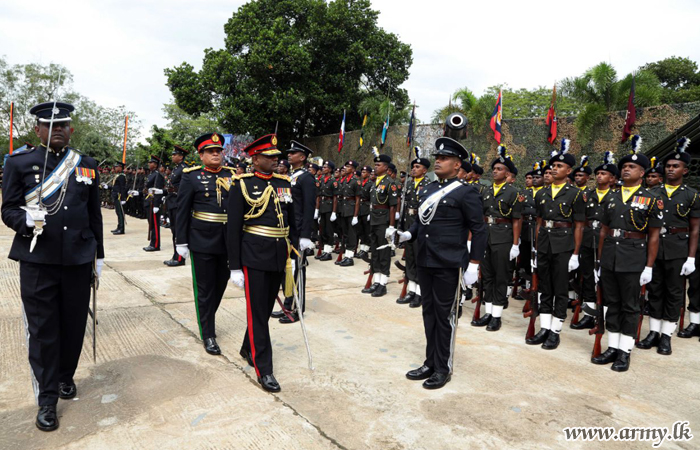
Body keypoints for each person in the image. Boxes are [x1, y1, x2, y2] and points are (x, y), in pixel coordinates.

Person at [1, 102, 104, 431]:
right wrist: (26, 221)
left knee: (73, 326)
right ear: (38, 129)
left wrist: (98, 256)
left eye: (63, 124)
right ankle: (47, 399)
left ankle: (64, 376)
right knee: (44, 331)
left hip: (77, 259)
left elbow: (94, 215)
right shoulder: (20, 163)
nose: (58, 129)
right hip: (38, 260)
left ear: (71, 128)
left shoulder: (86, 164)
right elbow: (8, 210)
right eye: (50, 125)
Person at [396, 136, 486, 389]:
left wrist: (474, 264)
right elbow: (421, 222)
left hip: (448, 261)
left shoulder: (466, 192)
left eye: (444, 158)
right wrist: (408, 235)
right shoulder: (429, 189)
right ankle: (430, 362)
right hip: (425, 259)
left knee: (444, 315)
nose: (438, 161)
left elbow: (479, 230)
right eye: (437, 158)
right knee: (428, 313)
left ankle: (443, 367)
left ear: (457, 165)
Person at [227, 134, 298, 393]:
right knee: (257, 313)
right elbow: (233, 228)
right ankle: (264, 368)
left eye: (276, 157)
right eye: (269, 157)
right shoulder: (242, 183)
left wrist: (298, 245)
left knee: (264, 310)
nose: (275, 160)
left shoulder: (283, 182)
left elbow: (292, 219)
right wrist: (234, 266)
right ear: (255, 158)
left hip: (279, 255)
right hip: (254, 255)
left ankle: (248, 347)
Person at [592, 135, 662, 372]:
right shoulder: (611, 196)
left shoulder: (651, 198)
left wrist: (649, 266)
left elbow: (654, 235)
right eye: (623, 167)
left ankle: (625, 351)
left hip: (634, 257)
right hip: (610, 253)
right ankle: (612, 347)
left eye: (631, 167)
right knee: (612, 302)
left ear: (642, 173)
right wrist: (600, 260)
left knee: (630, 306)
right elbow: (603, 230)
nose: (626, 170)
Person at [637, 137, 699, 355]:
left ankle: (666, 336)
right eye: (669, 166)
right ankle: (653, 332)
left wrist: (691, 258)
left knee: (674, 293)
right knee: (654, 290)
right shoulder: (651, 193)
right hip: (653, 249)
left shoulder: (692, 196)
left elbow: (695, 229)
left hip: (678, 250)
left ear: (685, 170)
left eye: (676, 166)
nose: (671, 169)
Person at [175, 133, 234, 355]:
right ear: (201, 155)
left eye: (218, 150)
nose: (216, 153)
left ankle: (208, 317)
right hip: (202, 240)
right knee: (205, 289)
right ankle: (208, 333)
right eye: (211, 151)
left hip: (227, 240)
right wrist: (181, 241)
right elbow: (182, 211)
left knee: (221, 285)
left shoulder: (232, 175)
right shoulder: (191, 177)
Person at [526, 139, 585, 350]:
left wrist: (576, 254)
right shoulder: (541, 193)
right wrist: (535, 248)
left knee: (560, 288)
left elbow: (579, 225)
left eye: (559, 166)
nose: (554, 168)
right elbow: (539, 223)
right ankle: (544, 326)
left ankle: (555, 331)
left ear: (568, 170)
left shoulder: (576, 194)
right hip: (544, 245)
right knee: (544, 286)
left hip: (563, 244)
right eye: (553, 166)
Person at [472, 145, 522, 331]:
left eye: (499, 169)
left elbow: (517, 220)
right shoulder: (485, 190)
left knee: (501, 276)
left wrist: (515, 244)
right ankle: (489, 311)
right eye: (494, 169)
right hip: (486, 235)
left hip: (503, 237)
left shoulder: (513, 192)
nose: (495, 171)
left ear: (507, 173)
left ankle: (497, 316)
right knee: (487, 275)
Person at [571, 152, 618, 331]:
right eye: (598, 173)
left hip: (606, 242)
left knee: (605, 279)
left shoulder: (616, 196)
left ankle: (604, 316)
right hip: (588, 239)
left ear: (612, 178)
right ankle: (589, 314)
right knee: (588, 278)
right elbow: (581, 222)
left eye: (604, 174)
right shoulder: (587, 195)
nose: (600, 176)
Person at [272, 140, 316, 323]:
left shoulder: (306, 178)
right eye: (288, 152)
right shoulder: (290, 176)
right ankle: (288, 304)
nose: (289, 155)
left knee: (298, 271)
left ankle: (298, 309)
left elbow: (309, 207)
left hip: (298, 232)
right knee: (287, 270)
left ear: (302, 157)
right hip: (287, 230)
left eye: (293, 153)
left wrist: (306, 235)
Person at [361, 149, 398, 297]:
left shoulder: (390, 183)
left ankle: (383, 283)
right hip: (374, 219)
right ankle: (376, 281)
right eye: (375, 165)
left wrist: (391, 226)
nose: (375, 167)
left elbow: (392, 206)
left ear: (386, 168)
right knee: (375, 251)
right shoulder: (374, 182)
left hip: (383, 221)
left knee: (384, 252)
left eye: (379, 165)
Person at [397, 155, 431, 307]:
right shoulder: (409, 184)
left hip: (421, 225)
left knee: (419, 259)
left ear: (425, 170)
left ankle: (419, 293)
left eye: (417, 167)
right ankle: (411, 290)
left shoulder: (429, 185)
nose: (414, 169)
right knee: (410, 257)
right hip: (409, 223)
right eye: (413, 167)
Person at [164, 145, 189, 266]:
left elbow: (184, 188)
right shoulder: (177, 168)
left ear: (181, 156)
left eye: (175, 155)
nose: (172, 156)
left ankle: (180, 258)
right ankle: (175, 255)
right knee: (174, 230)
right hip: (172, 202)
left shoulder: (184, 169)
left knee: (179, 231)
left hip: (178, 203)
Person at [336, 160, 361, 266]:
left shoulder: (356, 181)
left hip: (351, 210)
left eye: (349, 167)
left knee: (351, 234)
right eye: (346, 166)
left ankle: (350, 257)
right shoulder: (345, 180)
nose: (346, 168)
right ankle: (346, 255)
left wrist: (355, 215)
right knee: (345, 233)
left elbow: (358, 200)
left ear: (354, 169)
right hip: (344, 210)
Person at [315, 161, 338, 261]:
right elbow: (319, 196)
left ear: (330, 169)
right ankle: (324, 250)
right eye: (323, 167)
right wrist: (317, 209)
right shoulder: (322, 180)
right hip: (323, 207)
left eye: (325, 167)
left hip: (329, 207)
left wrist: (334, 211)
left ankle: (328, 252)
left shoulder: (333, 181)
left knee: (329, 230)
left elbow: (335, 198)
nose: (323, 169)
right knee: (322, 230)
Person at [143, 155, 165, 252]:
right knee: (151, 224)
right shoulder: (151, 174)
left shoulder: (158, 175)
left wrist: (156, 205)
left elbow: (158, 191)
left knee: (155, 224)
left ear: (155, 165)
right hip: (148, 201)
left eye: (151, 162)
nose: (149, 164)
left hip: (153, 202)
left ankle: (155, 244)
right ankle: (152, 242)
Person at [356, 165, 373, 258]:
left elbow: (372, 200)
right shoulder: (360, 183)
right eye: (362, 172)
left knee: (367, 231)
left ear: (369, 174)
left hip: (366, 208)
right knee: (361, 230)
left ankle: (365, 249)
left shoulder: (371, 184)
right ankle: (362, 248)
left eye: (365, 172)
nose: (363, 174)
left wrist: (370, 212)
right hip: (360, 209)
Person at [110, 161, 127, 235]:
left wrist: (123, 198)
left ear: (121, 167)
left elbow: (123, 188)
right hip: (116, 195)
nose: (115, 168)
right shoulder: (118, 175)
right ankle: (119, 226)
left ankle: (121, 229)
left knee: (120, 213)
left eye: (117, 167)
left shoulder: (122, 176)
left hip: (119, 196)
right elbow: (115, 186)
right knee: (117, 212)